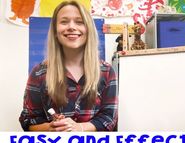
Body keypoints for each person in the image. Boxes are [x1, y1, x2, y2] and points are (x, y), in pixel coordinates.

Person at [19, 0, 118, 132]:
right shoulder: (39, 73)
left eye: (79, 21)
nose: (71, 27)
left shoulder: (106, 71)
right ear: (55, 31)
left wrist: (79, 128)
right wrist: (50, 128)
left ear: (88, 29)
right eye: (64, 22)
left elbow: (109, 118)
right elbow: (28, 121)